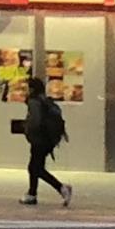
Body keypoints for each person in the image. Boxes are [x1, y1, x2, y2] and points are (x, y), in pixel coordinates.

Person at [20, 75, 72, 207]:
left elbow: (35, 121)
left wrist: (27, 129)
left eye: (27, 88)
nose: (24, 91)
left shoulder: (34, 102)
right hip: (46, 140)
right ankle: (32, 194)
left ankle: (61, 188)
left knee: (36, 168)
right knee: (34, 167)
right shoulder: (45, 101)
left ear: (32, 89)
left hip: (39, 140)